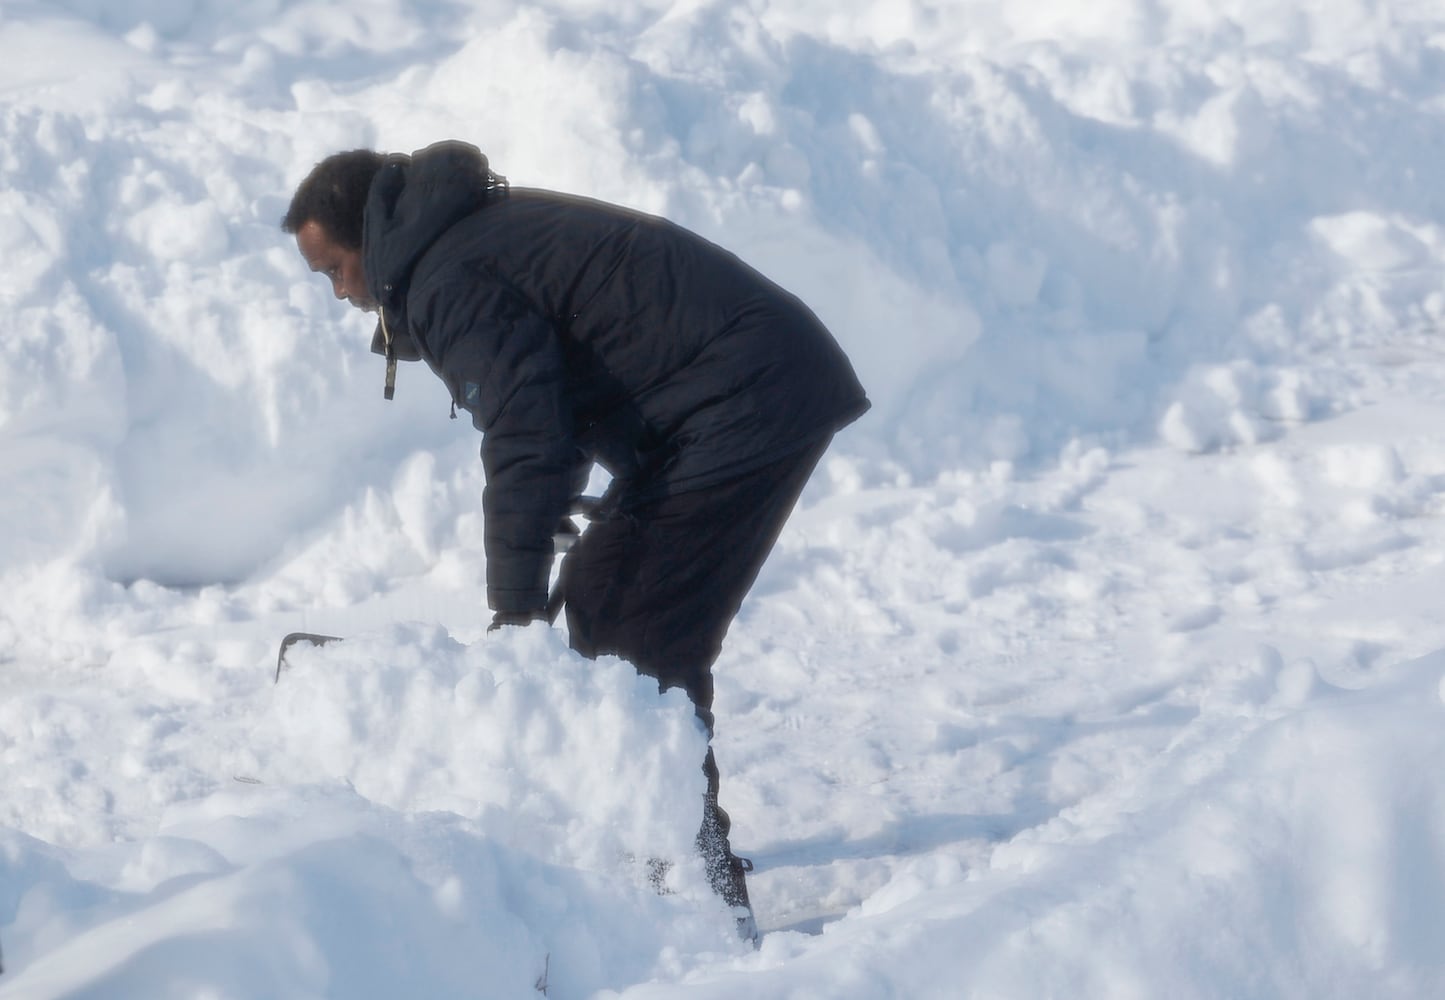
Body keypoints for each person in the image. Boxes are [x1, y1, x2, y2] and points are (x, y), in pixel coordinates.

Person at [282, 139, 869, 939]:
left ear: (367, 238)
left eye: (334, 270)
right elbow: (544, 417)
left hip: (744, 398)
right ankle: (653, 847)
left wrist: (514, 612)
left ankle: (689, 882)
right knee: (607, 608)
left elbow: (528, 437)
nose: (340, 294)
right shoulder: (458, 245)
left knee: (635, 638)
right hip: (720, 398)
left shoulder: (449, 278)